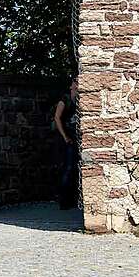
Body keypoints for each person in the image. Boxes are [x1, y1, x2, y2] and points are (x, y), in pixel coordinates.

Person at [53, 78, 79, 210]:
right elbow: (57, 117)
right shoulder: (65, 99)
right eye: (76, 81)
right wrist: (65, 136)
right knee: (67, 167)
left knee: (75, 168)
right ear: (73, 85)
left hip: (76, 137)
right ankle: (63, 200)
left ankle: (73, 199)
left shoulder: (80, 99)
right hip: (66, 137)